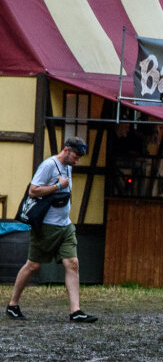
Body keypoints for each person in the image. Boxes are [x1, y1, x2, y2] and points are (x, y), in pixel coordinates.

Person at [6, 137, 97, 323]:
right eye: (76, 155)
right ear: (66, 150)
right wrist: (57, 186)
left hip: (65, 226)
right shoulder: (48, 165)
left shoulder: (68, 167)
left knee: (72, 262)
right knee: (33, 265)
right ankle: (13, 304)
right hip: (46, 227)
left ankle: (75, 311)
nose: (77, 160)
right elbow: (33, 191)